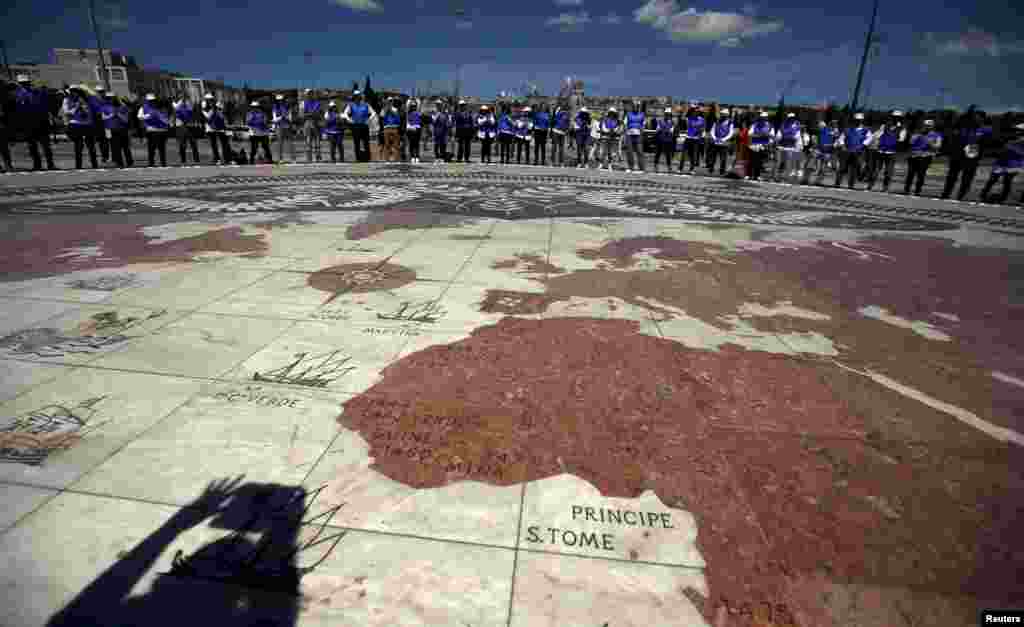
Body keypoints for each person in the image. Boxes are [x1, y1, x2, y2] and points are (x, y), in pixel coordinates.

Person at [942, 108, 991, 201]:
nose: (975, 119)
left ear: (983, 119)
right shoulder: (963, 127)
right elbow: (954, 134)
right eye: (974, 117)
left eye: (978, 117)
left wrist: (980, 152)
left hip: (972, 155)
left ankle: (960, 196)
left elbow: (987, 144)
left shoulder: (986, 130)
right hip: (958, 154)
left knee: (967, 178)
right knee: (951, 176)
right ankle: (945, 194)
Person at [15, 75, 56, 171]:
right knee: (33, 146)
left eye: (26, 83)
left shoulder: (37, 92)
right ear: (20, 84)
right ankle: (37, 165)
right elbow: (19, 109)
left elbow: (45, 105)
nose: (25, 85)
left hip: (41, 121)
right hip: (29, 123)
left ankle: (50, 164)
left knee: (45, 145)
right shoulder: (19, 94)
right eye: (23, 84)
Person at [979, 123, 1024, 204]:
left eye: (1019, 131)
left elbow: (1021, 152)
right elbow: (1000, 148)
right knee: (992, 179)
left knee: (1007, 180)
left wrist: (1011, 147)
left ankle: (1002, 198)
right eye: (1016, 130)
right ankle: (983, 195)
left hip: (1014, 164)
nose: (1017, 132)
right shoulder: (1010, 138)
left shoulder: (1020, 141)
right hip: (1002, 162)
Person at [867, 110, 906, 192]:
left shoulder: (902, 129)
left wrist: (892, 138)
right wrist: (875, 144)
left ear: (900, 119)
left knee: (888, 172)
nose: (896, 119)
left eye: (898, 118)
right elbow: (877, 136)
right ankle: (870, 185)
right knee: (876, 170)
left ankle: (885, 187)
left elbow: (901, 140)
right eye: (894, 117)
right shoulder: (884, 126)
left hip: (891, 153)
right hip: (881, 151)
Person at [62, 86, 99, 169]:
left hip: (88, 125)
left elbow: (95, 104)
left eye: (77, 91)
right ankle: (78, 166)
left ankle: (95, 165)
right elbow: (67, 113)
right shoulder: (67, 100)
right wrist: (77, 106)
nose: (75, 93)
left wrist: (87, 91)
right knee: (78, 147)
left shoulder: (87, 99)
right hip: (76, 125)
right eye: (73, 91)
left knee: (91, 147)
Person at [903, 119, 942, 196]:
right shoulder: (917, 133)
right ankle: (906, 189)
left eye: (929, 126)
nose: (927, 127)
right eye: (926, 126)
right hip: (913, 156)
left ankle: (918, 190)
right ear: (923, 126)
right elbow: (910, 143)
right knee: (910, 174)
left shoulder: (937, 135)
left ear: (932, 126)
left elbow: (938, 146)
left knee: (921, 174)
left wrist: (931, 143)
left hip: (925, 157)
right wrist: (914, 137)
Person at [835, 112, 870, 189]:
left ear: (862, 121)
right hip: (847, 151)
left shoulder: (865, 130)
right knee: (842, 168)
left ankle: (851, 185)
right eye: (856, 120)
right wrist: (843, 145)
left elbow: (869, 139)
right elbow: (841, 138)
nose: (858, 121)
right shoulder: (848, 129)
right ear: (854, 120)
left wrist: (863, 145)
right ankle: (837, 183)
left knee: (854, 169)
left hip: (857, 152)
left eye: (860, 120)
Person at [342, 90, 377, 163]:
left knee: (366, 142)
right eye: (355, 96)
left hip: (364, 125)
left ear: (360, 96)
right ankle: (358, 158)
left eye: (358, 96)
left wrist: (369, 120)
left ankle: (367, 158)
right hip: (355, 126)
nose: (357, 97)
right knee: (356, 142)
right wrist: (350, 120)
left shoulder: (366, 105)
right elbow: (345, 114)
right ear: (354, 97)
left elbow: (373, 113)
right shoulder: (350, 105)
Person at [100, 94, 133, 168]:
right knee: (116, 147)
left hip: (122, 129)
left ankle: (129, 161)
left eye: (111, 99)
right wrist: (111, 115)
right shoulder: (105, 107)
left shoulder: (123, 107)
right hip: (113, 129)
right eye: (108, 99)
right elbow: (104, 118)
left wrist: (117, 114)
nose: (110, 100)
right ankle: (119, 163)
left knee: (125, 147)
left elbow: (126, 120)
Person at [171, 93, 201, 166]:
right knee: (182, 144)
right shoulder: (175, 104)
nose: (182, 98)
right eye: (180, 97)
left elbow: (192, 111)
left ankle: (196, 160)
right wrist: (173, 122)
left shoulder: (189, 104)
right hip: (180, 126)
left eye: (183, 97)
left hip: (189, 126)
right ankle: (183, 160)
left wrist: (196, 122)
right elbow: (175, 111)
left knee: (193, 143)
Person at [773, 112, 803, 183]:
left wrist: (799, 146)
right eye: (790, 118)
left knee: (787, 163)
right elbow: (778, 137)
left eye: (793, 118)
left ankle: (785, 178)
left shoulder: (796, 125)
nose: (791, 119)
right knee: (779, 162)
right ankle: (776, 177)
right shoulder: (783, 125)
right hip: (782, 146)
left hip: (790, 147)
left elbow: (797, 137)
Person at [201, 94, 231, 165]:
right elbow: (207, 117)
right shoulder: (204, 107)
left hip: (220, 126)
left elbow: (222, 114)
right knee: (214, 144)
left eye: (211, 99)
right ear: (206, 100)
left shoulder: (217, 105)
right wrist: (213, 110)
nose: (209, 101)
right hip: (210, 128)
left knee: (224, 143)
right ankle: (217, 159)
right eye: (208, 100)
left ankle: (227, 159)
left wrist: (217, 108)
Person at [705, 108, 735, 176]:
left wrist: (723, 139)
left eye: (724, 114)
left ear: (727, 115)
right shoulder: (717, 121)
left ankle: (722, 171)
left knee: (723, 158)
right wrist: (715, 138)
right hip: (715, 142)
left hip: (724, 143)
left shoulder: (730, 123)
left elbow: (730, 133)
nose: (722, 115)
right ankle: (711, 169)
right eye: (722, 114)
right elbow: (712, 130)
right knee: (712, 157)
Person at [678, 102, 706, 174]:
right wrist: (690, 107)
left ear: (698, 112)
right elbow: (683, 117)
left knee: (693, 155)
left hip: (696, 140)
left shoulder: (701, 119)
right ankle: (680, 168)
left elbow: (703, 130)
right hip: (688, 138)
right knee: (684, 154)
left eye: (696, 112)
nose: (695, 113)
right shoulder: (689, 118)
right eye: (694, 111)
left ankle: (692, 169)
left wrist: (700, 134)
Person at [748, 111, 774, 180]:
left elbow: (772, 135)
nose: (763, 119)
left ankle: (757, 175)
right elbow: (750, 133)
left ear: (767, 118)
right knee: (753, 161)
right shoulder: (754, 124)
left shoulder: (770, 125)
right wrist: (760, 135)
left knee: (760, 162)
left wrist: (766, 135)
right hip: (754, 145)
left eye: (765, 118)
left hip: (764, 145)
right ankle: (750, 175)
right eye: (762, 117)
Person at [623, 100, 645, 173]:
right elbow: (625, 124)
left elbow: (643, 125)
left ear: (638, 107)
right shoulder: (628, 114)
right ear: (632, 107)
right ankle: (630, 167)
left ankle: (641, 168)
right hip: (629, 135)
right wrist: (626, 133)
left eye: (637, 106)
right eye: (634, 106)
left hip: (638, 135)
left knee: (640, 152)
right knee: (629, 152)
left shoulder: (642, 114)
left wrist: (641, 134)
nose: (635, 107)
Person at [272, 94, 296, 163]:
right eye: (279, 100)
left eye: (281, 100)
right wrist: (281, 117)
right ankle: (280, 159)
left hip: (287, 126)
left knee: (290, 143)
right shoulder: (275, 107)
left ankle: (293, 158)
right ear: (276, 101)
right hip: (279, 127)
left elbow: (290, 118)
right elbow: (274, 119)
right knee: (280, 144)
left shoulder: (287, 107)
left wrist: (287, 118)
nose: (280, 101)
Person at [652, 107, 676, 174]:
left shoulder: (672, 122)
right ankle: (655, 166)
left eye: (668, 114)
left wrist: (664, 129)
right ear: (664, 114)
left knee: (668, 155)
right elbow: (657, 130)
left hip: (668, 140)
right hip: (660, 140)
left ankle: (669, 167)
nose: (667, 115)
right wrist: (664, 129)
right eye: (666, 114)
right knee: (658, 153)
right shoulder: (660, 121)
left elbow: (671, 131)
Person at [599, 107, 622, 172]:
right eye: (610, 112)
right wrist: (608, 131)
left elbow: (618, 128)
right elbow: (602, 127)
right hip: (605, 137)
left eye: (613, 113)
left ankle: (609, 164)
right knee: (603, 151)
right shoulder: (605, 119)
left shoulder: (617, 121)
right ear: (609, 113)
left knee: (610, 152)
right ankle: (601, 164)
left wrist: (614, 131)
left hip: (612, 138)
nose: (611, 114)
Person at [381, 97, 402, 163]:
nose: (390, 102)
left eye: (391, 101)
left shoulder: (395, 109)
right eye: (389, 101)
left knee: (396, 144)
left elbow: (397, 116)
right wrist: (386, 110)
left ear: (392, 102)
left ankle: (397, 159)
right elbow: (382, 116)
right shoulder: (383, 109)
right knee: (387, 144)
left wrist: (390, 110)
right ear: (387, 101)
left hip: (394, 127)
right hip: (386, 128)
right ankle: (387, 159)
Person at [405, 99, 423, 164]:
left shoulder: (419, 113)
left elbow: (419, 103)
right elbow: (408, 122)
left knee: (416, 144)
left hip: (417, 129)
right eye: (412, 106)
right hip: (411, 129)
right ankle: (412, 157)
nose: (413, 107)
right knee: (411, 144)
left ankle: (417, 157)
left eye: (414, 106)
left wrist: (415, 99)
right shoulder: (409, 114)